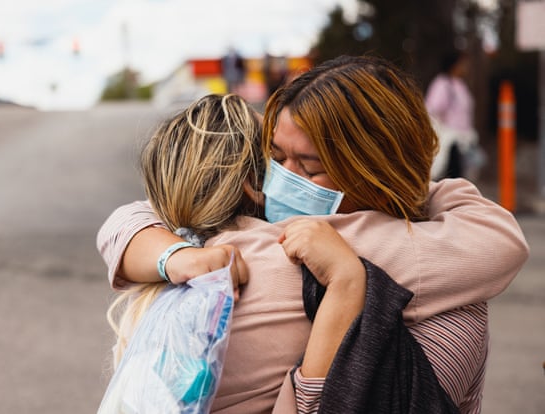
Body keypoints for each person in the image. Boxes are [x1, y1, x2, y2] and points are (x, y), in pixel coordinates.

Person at [97, 56, 529, 413]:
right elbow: (497, 238)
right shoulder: (429, 271)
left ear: (374, 172)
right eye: (278, 158)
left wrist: (172, 256)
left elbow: (128, 220)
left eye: (310, 166)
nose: (284, 180)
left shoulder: (227, 236)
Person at [106, 93, 264, 364]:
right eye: (280, 156)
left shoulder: (169, 243)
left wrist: (176, 257)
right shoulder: (274, 251)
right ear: (252, 182)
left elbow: (118, 223)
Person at [425, 51, 485, 181]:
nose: (465, 67)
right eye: (462, 64)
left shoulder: (460, 85)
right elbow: (433, 109)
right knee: (452, 177)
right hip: (450, 141)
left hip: (464, 140)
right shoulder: (442, 84)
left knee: (462, 177)